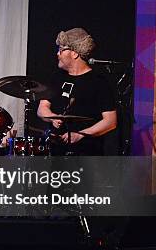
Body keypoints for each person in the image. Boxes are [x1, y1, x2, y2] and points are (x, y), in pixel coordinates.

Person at [37, 27, 117, 156]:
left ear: (74, 53)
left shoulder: (99, 82)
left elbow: (110, 121)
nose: (58, 54)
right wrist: (52, 118)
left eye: (61, 50)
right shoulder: (56, 77)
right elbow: (42, 108)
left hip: (87, 154)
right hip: (56, 151)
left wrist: (81, 134)